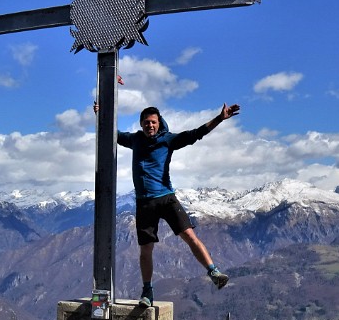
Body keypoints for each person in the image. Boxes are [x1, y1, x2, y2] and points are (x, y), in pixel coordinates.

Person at [98, 102, 240, 306]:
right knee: (145, 250)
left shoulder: (168, 140)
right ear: (141, 124)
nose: (150, 126)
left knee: (190, 235)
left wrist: (219, 118)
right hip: (144, 202)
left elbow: (195, 134)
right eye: (146, 123)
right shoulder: (135, 139)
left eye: (153, 122)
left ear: (159, 123)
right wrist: (101, 114)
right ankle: (147, 292)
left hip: (166, 198)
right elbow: (111, 133)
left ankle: (214, 272)